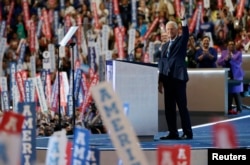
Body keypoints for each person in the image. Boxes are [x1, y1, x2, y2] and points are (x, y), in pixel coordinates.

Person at [156, 6, 193, 140]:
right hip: (167, 80)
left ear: (177, 30)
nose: (170, 31)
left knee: (182, 107)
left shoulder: (181, 41)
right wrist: (160, 81)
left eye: (172, 29)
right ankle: (173, 132)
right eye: (168, 29)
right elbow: (162, 63)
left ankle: (187, 133)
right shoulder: (164, 46)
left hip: (178, 78)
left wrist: (183, 20)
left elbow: (187, 34)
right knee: (169, 108)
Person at [217, 40, 245, 114]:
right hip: (227, 74)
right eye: (229, 44)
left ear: (234, 46)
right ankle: (229, 108)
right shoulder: (224, 53)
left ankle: (239, 109)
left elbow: (238, 64)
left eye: (232, 44)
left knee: (236, 92)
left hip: (237, 75)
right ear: (227, 46)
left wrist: (231, 59)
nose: (231, 46)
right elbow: (219, 62)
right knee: (229, 92)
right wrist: (225, 59)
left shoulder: (238, 53)